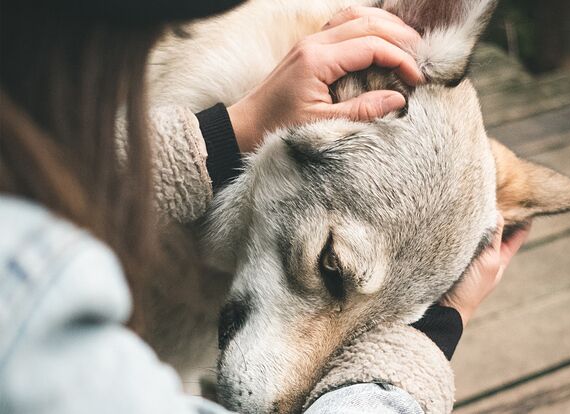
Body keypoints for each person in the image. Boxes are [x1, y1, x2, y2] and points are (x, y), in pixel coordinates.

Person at [0, 1, 531, 413]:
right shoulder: (34, 307)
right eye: (329, 267)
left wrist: (225, 134)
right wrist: (427, 341)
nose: (291, 397)